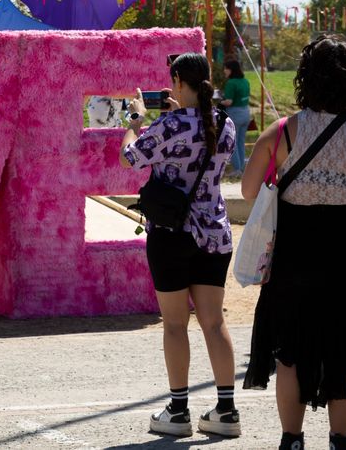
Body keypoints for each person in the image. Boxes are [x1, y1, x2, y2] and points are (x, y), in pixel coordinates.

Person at [242, 35, 346, 450]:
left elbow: (247, 190)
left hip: (295, 253)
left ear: (304, 78)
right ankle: (340, 439)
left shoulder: (281, 133)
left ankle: (292, 439)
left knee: (290, 350)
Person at [119, 53, 241, 438]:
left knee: (174, 324)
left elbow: (130, 157)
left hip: (172, 234)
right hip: (214, 232)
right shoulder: (225, 123)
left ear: (177, 81)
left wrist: (134, 122)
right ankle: (226, 410)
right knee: (214, 321)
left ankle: (178, 411)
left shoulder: (168, 124)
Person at [220, 59, 251, 175]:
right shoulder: (245, 81)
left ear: (231, 70)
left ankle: (237, 169)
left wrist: (218, 101)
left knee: (232, 142)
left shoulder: (231, 83)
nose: (224, 71)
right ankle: (242, 167)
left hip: (235, 114)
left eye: (226, 68)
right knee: (241, 142)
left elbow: (228, 102)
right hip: (246, 113)